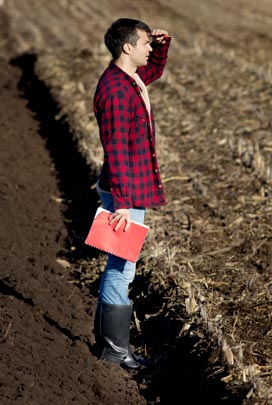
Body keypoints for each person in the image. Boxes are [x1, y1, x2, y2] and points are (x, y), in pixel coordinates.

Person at [92, 18, 171, 369]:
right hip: (125, 192)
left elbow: (152, 71)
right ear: (127, 48)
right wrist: (122, 204)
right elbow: (116, 151)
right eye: (145, 44)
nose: (149, 49)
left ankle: (112, 345)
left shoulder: (128, 79)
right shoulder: (115, 92)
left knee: (123, 265)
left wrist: (162, 43)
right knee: (121, 267)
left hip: (131, 188)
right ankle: (114, 352)